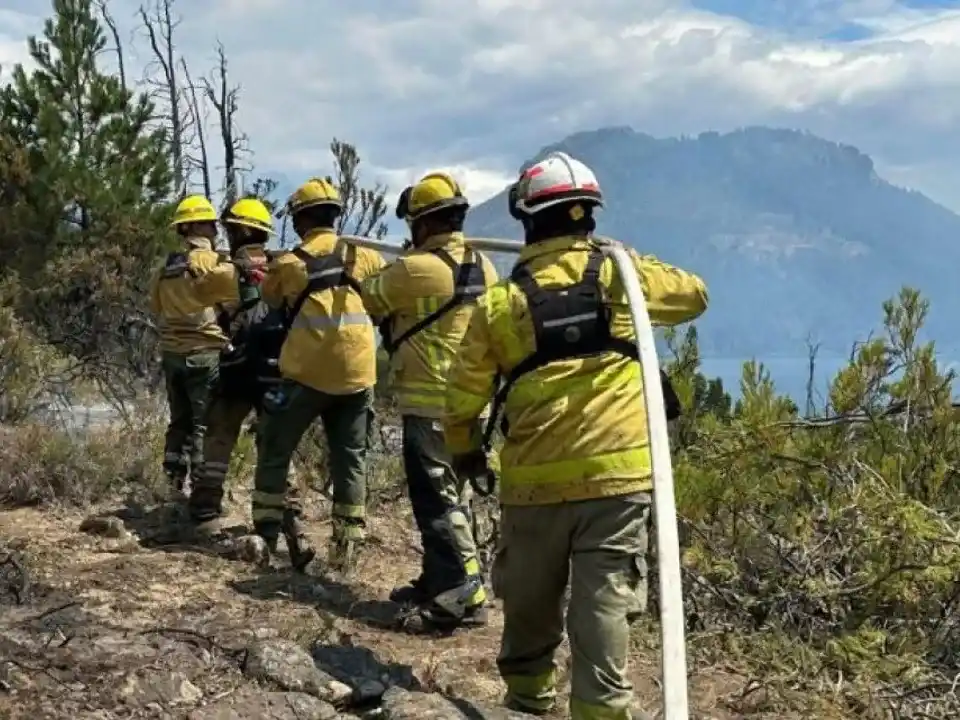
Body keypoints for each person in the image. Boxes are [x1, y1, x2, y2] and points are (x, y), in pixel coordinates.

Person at [442, 151, 709, 718]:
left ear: (527, 220)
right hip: (619, 479)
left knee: (530, 599)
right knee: (604, 604)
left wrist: (466, 456)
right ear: (589, 215)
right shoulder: (622, 277)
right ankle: (602, 709)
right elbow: (693, 295)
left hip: (533, 483)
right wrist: (632, 262)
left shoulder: (500, 304)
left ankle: (528, 699)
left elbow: (461, 400)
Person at [361, 171, 497, 630]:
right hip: (472, 404)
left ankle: (456, 597)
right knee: (457, 497)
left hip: (428, 404)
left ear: (421, 224)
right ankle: (447, 578)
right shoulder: (486, 265)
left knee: (436, 501)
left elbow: (369, 296)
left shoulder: (414, 269)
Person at [253, 177, 386, 573]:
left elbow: (269, 298)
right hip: (358, 375)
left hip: (307, 376)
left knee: (274, 449)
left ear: (304, 218)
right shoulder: (364, 256)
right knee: (350, 461)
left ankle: (265, 536)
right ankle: (346, 551)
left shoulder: (292, 263)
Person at [187, 197, 285, 535]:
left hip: (237, 363)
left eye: (229, 229)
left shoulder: (226, 270)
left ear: (241, 230)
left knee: (220, 435)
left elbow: (198, 293)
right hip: (276, 369)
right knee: (275, 444)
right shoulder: (284, 266)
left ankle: (204, 509)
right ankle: (278, 520)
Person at [148, 194, 230, 496]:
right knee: (203, 426)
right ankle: (200, 492)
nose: (215, 229)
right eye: (211, 224)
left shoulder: (166, 266)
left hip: (172, 355)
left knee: (178, 423)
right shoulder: (213, 263)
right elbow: (235, 303)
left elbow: (155, 305)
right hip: (204, 355)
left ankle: (171, 484)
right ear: (198, 226)